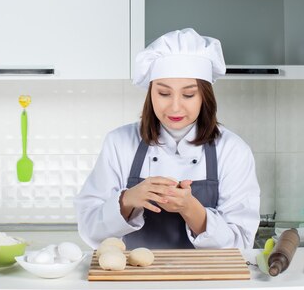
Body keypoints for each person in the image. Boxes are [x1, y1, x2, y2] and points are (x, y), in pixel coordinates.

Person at [74, 28, 260, 250]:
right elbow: (89, 230)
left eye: (189, 94)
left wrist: (191, 209)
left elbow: (241, 242)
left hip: (209, 281)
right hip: (136, 280)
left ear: (204, 96)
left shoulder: (232, 150)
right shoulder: (119, 143)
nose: (174, 106)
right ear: (150, 92)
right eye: (163, 93)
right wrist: (128, 200)